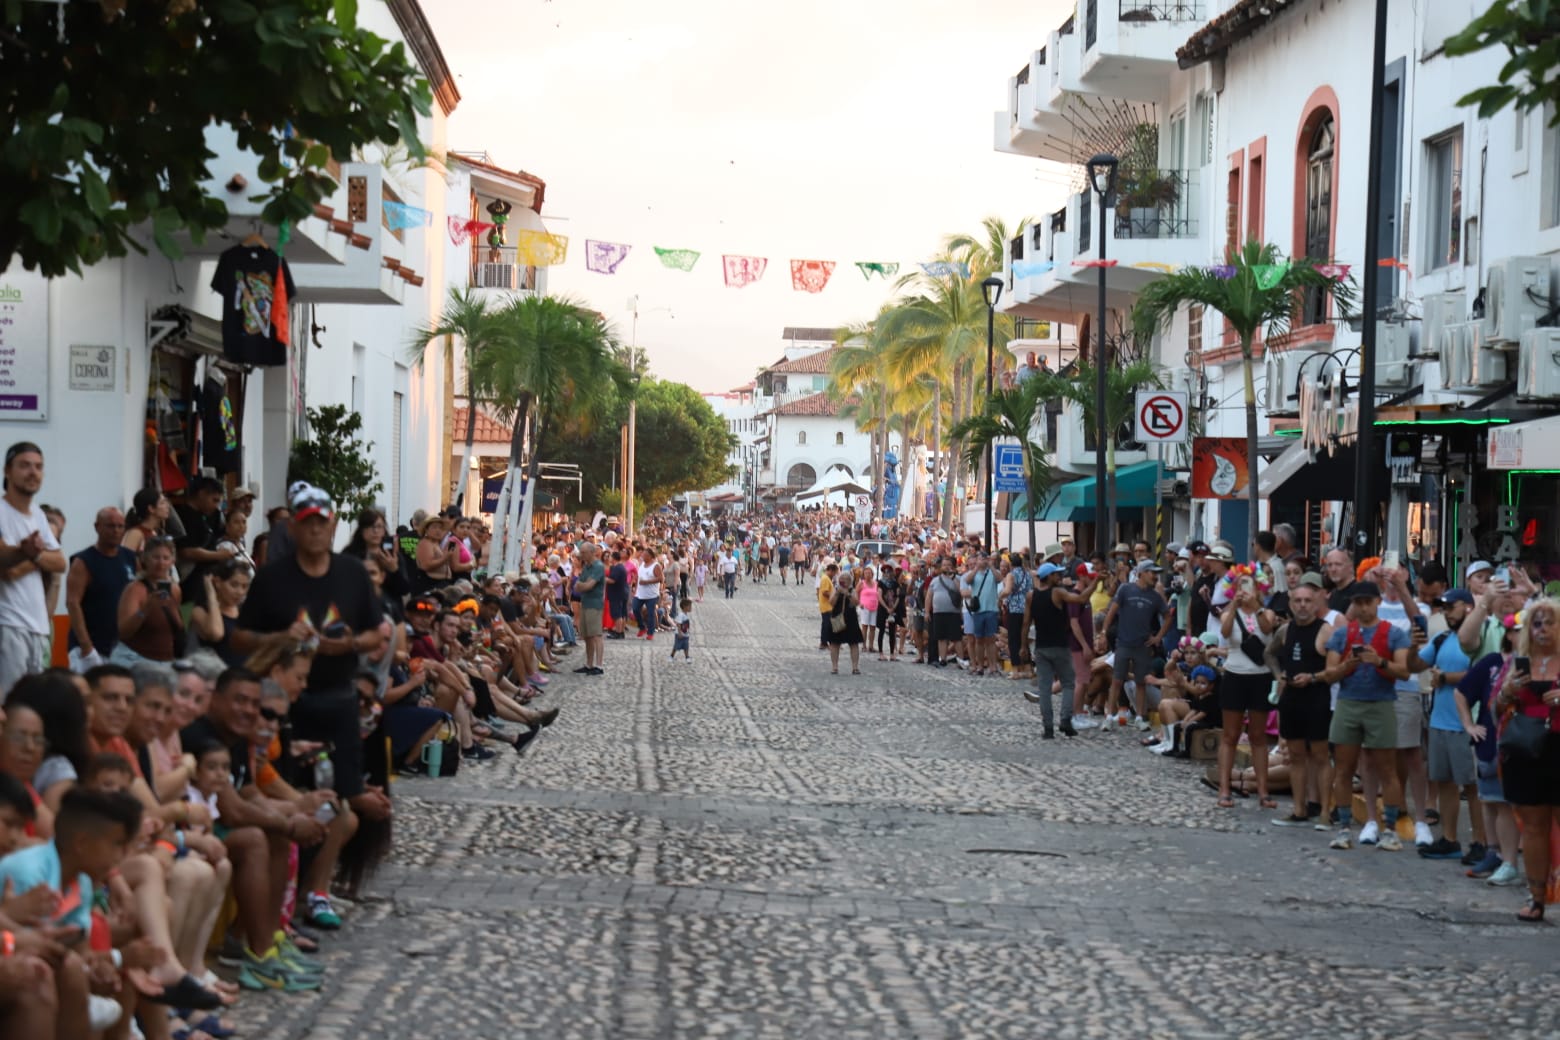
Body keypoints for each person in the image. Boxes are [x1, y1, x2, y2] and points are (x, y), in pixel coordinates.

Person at [232, 484, 389, 827]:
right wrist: (280, 638)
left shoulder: (352, 573)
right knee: (295, 791)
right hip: (286, 704)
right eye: (306, 522)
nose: (315, 530)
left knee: (349, 797)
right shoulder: (272, 578)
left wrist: (348, 644)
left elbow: (377, 632)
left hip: (339, 694)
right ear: (292, 528)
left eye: (321, 522)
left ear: (333, 525)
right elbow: (239, 638)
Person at [1321, 581, 1411, 852]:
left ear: (1377, 602)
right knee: (1344, 769)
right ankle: (1345, 827)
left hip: (1380, 703)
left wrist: (1380, 661)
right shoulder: (1342, 635)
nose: (1362, 608)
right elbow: (1328, 674)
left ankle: (1391, 829)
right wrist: (1349, 664)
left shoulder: (1393, 634)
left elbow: (1404, 672)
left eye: (1367, 602)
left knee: (1387, 769)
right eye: (1358, 603)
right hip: (1349, 702)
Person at [1493, 597, 1560, 922]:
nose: (1542, 629)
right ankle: (1536, 898)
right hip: (1526, 749)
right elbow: (1495, 708)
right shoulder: (1517, 663)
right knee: (1533, 828)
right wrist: (1506, 693)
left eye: (1549, 622)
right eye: (1536, 623)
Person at [1268, 573, 1333, 826]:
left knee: (1319, 755)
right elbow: (1269, 653)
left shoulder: (1325, 631)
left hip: (1316, 699)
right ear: (1291, 603)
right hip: (1291, 699)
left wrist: (1314, 678)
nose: (1303, 605)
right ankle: (1299, 808)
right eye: (1298, 601)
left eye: (1308, 600)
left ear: (1316, 603)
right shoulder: (1285, 630)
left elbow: (1337, 669)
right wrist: (1279, 676)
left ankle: (1325, 812)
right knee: (1295, 755)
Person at [0, 442, 66, 695]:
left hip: (38, 628)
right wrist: (23, 553)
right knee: (8, 707)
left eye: (38, 467)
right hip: (8, 626)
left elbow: (59, 562)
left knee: (34, 707)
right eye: (25, 465)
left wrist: (32, 556)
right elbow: (4, 565)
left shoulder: (38, 515)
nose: (33, 472)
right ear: (7, 471)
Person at [1216, 568, 1276, 809]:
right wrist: (1233, 605)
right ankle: (1224, 788)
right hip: (1234, 675)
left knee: (1258, 737)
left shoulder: (1267, 612)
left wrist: (1257, 606)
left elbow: (1267, 629)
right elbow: (1225, 631)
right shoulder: (1230, 612)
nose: (1244, 590)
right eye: (1240, 585)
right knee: (1230, 735)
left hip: (1259, 678)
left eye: (1249, 585)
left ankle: (1263, 791)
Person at [1022, 562, 1101, 738]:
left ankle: (1048, 728)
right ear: (1048, 577)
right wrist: (1095, 584)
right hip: (1060, 646)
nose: (1059, 577)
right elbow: (1080, 599)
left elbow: (1026, 623)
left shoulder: (1031, 595)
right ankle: (1065, 720)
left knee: (1044, 689)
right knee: (1068, 683)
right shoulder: (1057, 592)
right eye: (1056, 574)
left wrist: (1023, 646)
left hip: (1041, 647)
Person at [65, 507, 136, 671]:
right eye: (110, 526)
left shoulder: (130, 558)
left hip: (120, 649)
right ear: (97, 527)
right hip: (89, 649)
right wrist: (86, 647)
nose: (116, 531)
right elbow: (72, 603)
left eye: (120, 526)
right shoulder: (83, 561)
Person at [1100, 562, 1171, 727]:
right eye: (1152, 573)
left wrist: (1158, 637)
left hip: (1142, 645)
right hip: (1123, 643)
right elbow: (1111, 612)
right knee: (1117, 680)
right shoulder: (1125, 589)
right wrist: (1103, 632)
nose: (1155, 576)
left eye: (1156, 573)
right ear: (1142, 573)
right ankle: (1109, 717)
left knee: (1141, 682)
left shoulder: (1155, 596)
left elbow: (1168, 617)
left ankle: (1140, 717)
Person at [112, 536, 185, 666]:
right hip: (136, 659)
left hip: (165, 662)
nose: (161, 563)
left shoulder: (175, 590)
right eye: (156, 557)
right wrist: (146, 608)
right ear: (145, 559)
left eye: (166, 558)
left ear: (172, 561)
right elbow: (124, 631)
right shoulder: (135, 589)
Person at [573, 542, 607, 676]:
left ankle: (599, 665)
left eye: (584, 552)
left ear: (592, 553)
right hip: (585, 603)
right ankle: (589, 664)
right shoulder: (586, 567)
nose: (581, 555)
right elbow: (577, 586)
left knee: (596, 635)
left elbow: (588, 586)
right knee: (587, 636)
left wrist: (582, 585)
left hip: (594, 604)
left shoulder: (598, 567)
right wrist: (582, 585)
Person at [826, 571, 864, 675]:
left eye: (846, 579)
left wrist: (847, 593)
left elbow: (856, 602)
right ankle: (835, 667)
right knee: (834, 643)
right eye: (842, 579)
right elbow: (831, 602)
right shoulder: (836, 589)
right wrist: (838, 592)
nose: (844, 581)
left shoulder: (852, 590)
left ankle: (855, 667)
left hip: (851, 618)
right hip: (838, 617)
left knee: (853, 643)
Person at [122, 488, 172, 556]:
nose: (167, 506)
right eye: (162, 503)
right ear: (151, 508)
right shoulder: (136, 533)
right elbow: (125, 559)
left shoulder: (154, 532)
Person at [633, 547, 662, 639]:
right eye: (642, 555)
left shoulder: (656, 566)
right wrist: (636, 589)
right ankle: (642, 627)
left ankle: (650, 633)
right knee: (635, 609)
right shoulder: (641, 564)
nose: (643, 556)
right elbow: (638, 578)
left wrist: (647, 582)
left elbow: (660, 579)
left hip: (651, 595)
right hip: (640, 593)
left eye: (645, 555)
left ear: (650, 556)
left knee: (650, 613)